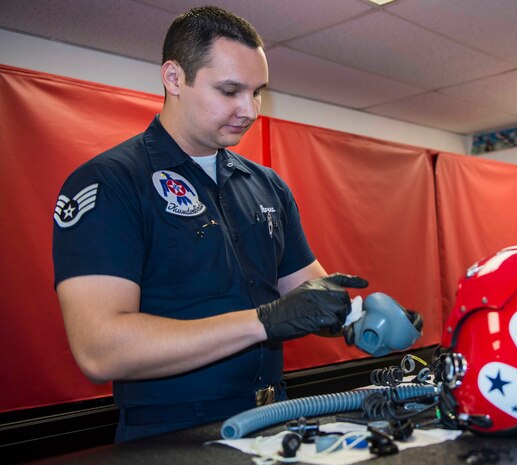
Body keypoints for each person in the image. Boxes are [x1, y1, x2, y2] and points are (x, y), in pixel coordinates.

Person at [52, 5, 367, 443]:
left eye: (256, 92)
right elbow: (99, 349)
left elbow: (306, 295)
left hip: (274, 417)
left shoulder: (267, 185)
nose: (250, 110)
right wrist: (262, 321)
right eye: (230, 90)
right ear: (174, 78)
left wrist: (359, 318)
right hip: (172, 431)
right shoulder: (111, 181)